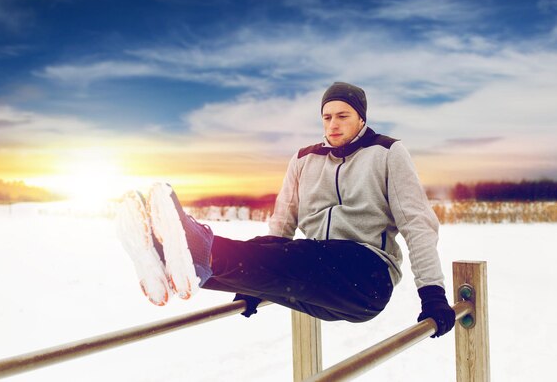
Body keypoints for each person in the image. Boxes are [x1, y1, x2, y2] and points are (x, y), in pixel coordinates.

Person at [116, 82, 456, 338]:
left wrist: (432, 294)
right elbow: (281, 225)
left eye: (343, 116)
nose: (333, 124)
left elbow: (417, 225)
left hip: (365, 276)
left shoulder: (387, 153)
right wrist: (254, 283)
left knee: (295, 257)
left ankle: (197, 244)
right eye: (327, 117)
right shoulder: (305, 159)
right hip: (313, 276)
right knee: (266, 250)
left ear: (361, 118)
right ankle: (170, 259)